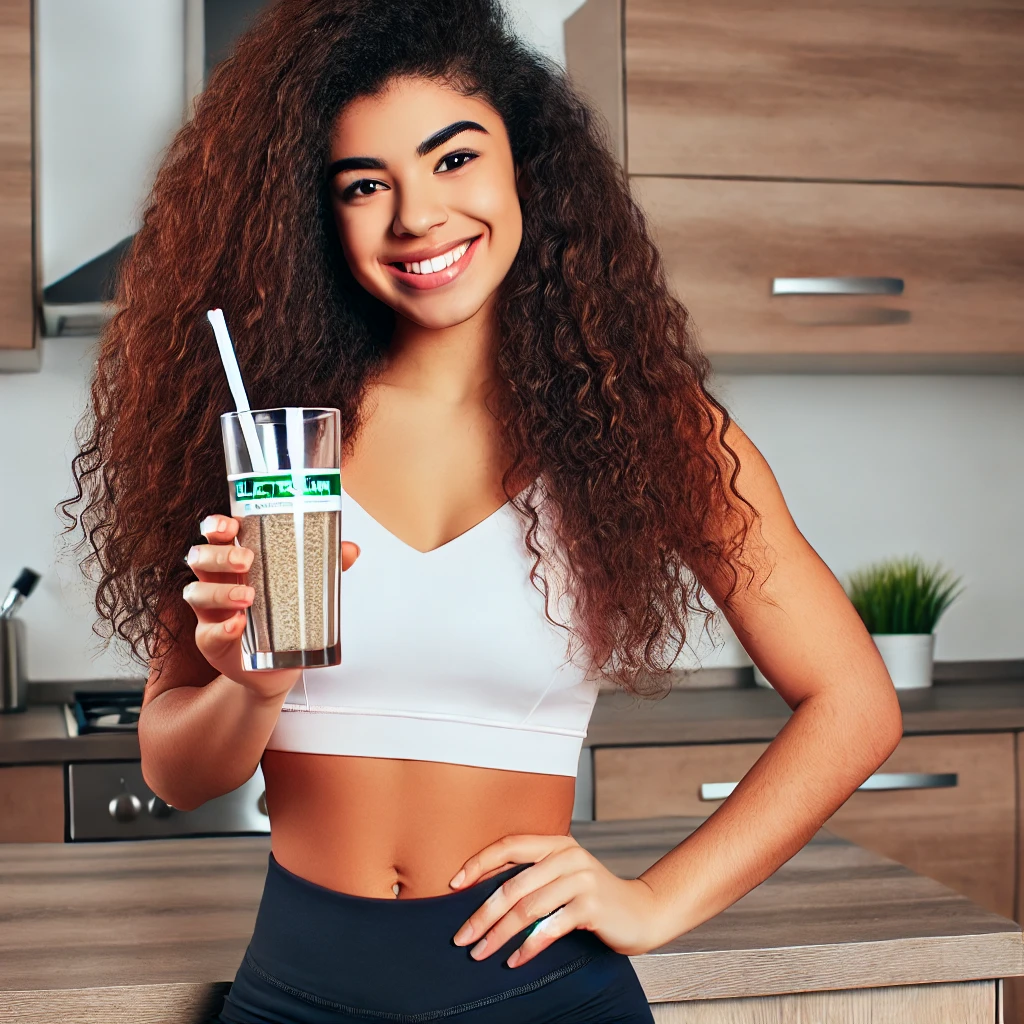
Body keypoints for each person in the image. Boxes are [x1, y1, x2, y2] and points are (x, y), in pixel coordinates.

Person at [60, 1, 903, 1021]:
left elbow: (854, 702)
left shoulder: (647, 427)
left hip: (547, 994)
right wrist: (252, 686)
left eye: (453, 160)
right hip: (296, 993)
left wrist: (655, 900)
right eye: (365, 185)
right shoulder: (268, 442)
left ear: (525, 169)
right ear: (315, 214)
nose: (416, 216)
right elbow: (179, 769)